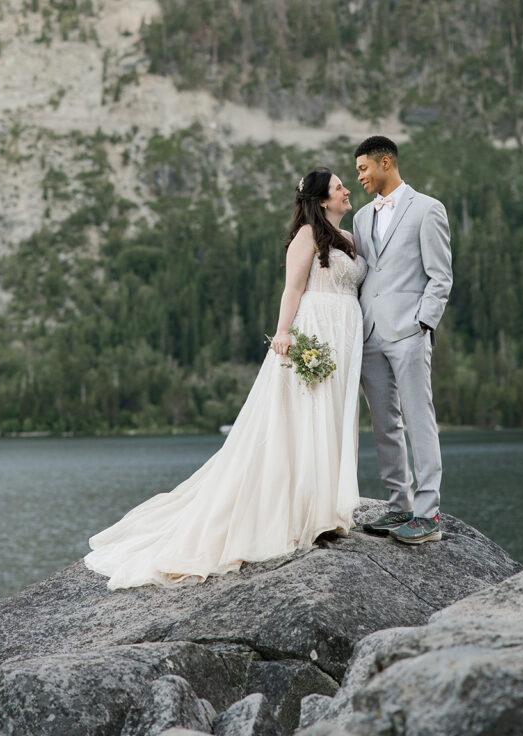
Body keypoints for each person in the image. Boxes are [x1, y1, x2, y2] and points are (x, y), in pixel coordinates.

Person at [84, 169, 366, 589]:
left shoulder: (348, 238)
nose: (346, 190)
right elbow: (292, 290)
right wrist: (284, 333)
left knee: (331, 419)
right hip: (316, 331)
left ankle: (325, 506)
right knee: (305, 418)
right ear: (323, 199)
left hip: (345, 335)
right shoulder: (307, 235)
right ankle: (303, 512)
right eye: (339, 186)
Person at [353, 136, 452, 545]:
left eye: (363, 168)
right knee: (384, 422)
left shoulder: (427, 209)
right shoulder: (360, 218)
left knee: (418, 417)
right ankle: (399, 505)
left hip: (409, 332)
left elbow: (440, 276)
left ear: (386, 162)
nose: (359, 176)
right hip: (370, 334)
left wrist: (422, 324)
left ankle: (428, 514)